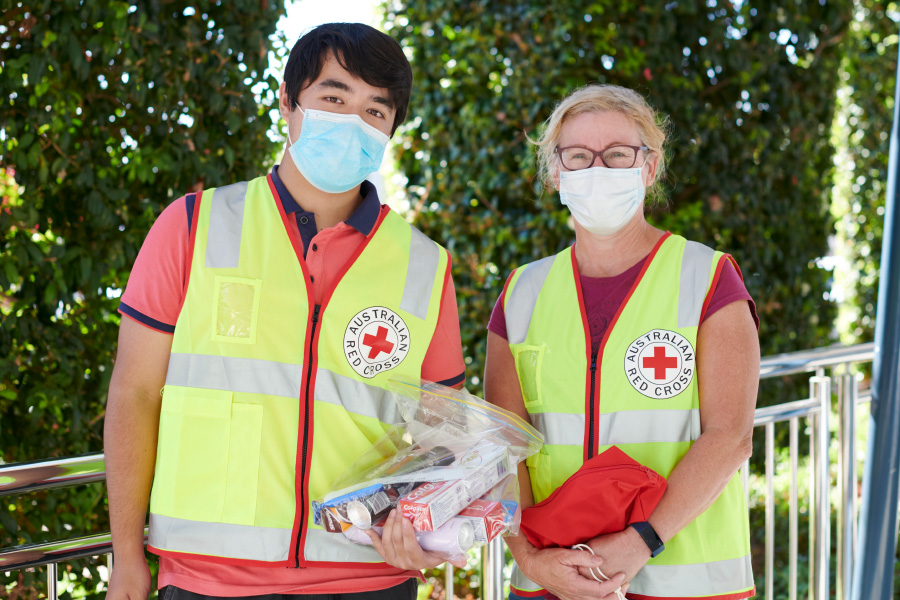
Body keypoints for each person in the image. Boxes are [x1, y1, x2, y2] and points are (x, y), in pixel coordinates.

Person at [104, 23, 468, 600]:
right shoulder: (193, 226)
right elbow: (135, 394)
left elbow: (443, 431)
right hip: (209, 581)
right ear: (288, 104)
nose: (354, 120)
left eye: (376, 109)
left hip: (367, 579)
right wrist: (125, 554)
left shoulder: (425, 265)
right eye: (333, 97)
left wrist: (420, 523)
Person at [484, 84, 760, 600]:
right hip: (550, 581)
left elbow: (729, 437)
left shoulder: (708, 278)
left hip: (684, 584)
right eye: (578, 157)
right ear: (555, 175)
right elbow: (504, 447)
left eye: (617, 155)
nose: (598, 170)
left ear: (649, 168)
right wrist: (529, 559)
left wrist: (640, 542)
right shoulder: (521, 293)